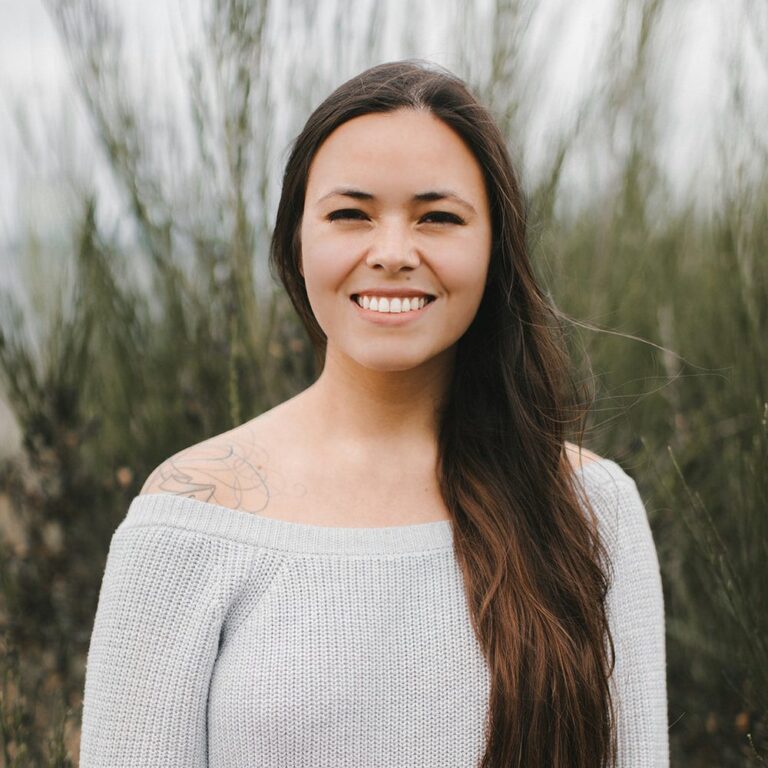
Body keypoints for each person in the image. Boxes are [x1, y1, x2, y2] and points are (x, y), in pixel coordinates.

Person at [78, 60, 668, 767]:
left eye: (438, 217)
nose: (392, 253)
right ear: (296, 242)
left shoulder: (591, 507)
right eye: (350, 214)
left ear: (495, 249)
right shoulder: (188, 517)